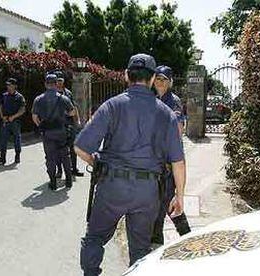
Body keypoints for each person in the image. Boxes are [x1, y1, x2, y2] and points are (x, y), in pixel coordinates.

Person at [74, 54, 186, 275]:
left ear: (126, 75)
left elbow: (80, 147)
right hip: (147, 192)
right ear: (153, 78)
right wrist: (179, 196)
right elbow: (178, 161)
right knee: (141, 249)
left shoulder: (112, 106)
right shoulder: (166, 114)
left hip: (112, 186)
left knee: (95, 238)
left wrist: (98, 164)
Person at [151, 65, 191, 248]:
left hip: (169, 164)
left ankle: (157, 243)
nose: (160, 82)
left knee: (162, 206)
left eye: (164, 79)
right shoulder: (151, 99)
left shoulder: (173, 101)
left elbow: (178, 129)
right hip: (155, 163)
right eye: (158, 78)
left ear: (170, 82)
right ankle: (187, 237)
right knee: (164, 204)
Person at [32, 74, 75, 190]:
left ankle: (53, 182)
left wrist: (41, 125)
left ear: (46, 84)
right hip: (61, 131)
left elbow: (35, 117)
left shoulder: (38, 99)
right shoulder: (63, 98)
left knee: (50, 157)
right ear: (56, 84)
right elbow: (72, 113)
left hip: (47, 132)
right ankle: (69, 181)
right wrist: (64, 115)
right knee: (65, 155)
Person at [55, 71, 84, 178]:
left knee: (73, 148)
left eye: (61, 80)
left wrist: (78, 120)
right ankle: (59, 171)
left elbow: (74, 106)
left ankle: (74, 169)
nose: (59, 83)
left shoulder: (68, 93)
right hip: (58, 125)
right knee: (59, 149)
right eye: (57, 81)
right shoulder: (52, 94)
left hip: (69, 124)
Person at [0, 78, 26, 165]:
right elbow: (0, 107)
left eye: (10, 85)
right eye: (7, 85)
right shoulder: (4, 95)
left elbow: (22, 109)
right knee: (3, 139)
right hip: (5, 120)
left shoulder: (19, 97)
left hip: (15, 121)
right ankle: (2, 157)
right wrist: (2, 116)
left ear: (15, 86)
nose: (8, 87)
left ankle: (17, 156)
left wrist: (14, 117)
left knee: (17, 139)